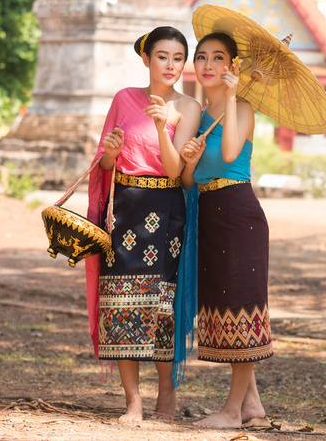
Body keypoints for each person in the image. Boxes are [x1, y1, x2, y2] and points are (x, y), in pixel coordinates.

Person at [84, 26, 201, 423]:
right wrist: (111, 154)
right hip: (124, 210)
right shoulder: (124, 99)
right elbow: (103, 163)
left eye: (178, 58)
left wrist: (160, 126)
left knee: (161, 306)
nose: (170, 65)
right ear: (146, 59)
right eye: (162, 56)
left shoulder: (189, 107)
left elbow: (174, 171)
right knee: (118, 303)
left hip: (166, 210)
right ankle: (132, 400)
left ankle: (165, 393)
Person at [181, 32, 273, 429]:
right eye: (201, 57)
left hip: (238, 213)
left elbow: (233, 154)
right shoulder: (198, 116)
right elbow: (187, 181)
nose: (207, 65)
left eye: (218, 58)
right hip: (207, 213)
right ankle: (251, 404)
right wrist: (189, 158)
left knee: (241, 307)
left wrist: (232, 99)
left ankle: (232, 412)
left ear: (233, 67)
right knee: (221, 307)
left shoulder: (245, 109)